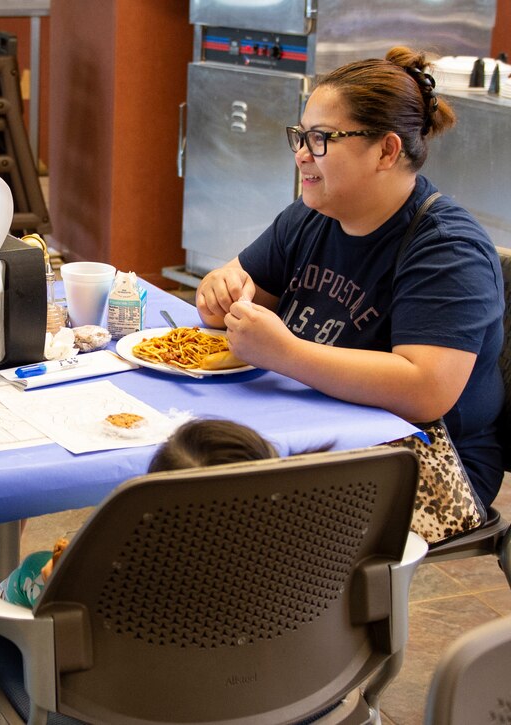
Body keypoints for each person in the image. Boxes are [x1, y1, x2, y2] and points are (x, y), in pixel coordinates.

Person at [195, 46, 505, 508]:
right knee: (189, 459)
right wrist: (219, 291)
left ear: (386, 149)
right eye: (299, 136)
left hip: (426, 466)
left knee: (223, 503)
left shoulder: (447, 248)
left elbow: (425, 391)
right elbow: (243, 291)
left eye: (320, 139)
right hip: (317, 428)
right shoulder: (310, 215)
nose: (301, 155)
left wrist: (286, 352)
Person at [0, 419, 280, 608]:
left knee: (34, 567)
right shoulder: (295, 570)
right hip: (269, 688)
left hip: (111, 690)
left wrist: (63, 582)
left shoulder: (115, 584)